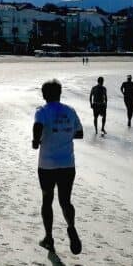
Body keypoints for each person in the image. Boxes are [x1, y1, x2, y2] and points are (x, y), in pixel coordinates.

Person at [32, 80, 85, 254]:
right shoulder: (70, 111)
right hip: (67, 164)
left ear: (44, 95)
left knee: (47, 200)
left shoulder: (42, 111)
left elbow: (38, 126)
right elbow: (79, 133)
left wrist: (35, 141)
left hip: (47, 164)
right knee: (65, 200)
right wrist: (64, 136)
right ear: (60, 93)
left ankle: (49, 237)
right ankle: (71, 227)